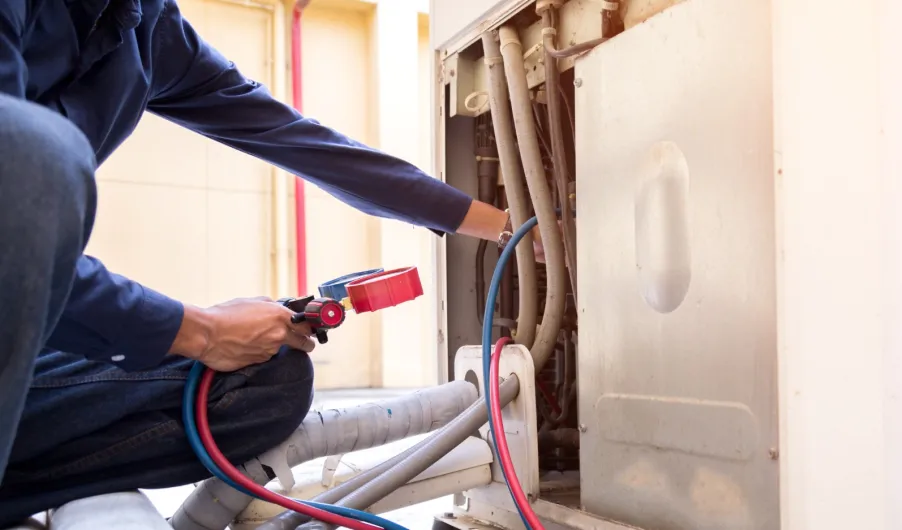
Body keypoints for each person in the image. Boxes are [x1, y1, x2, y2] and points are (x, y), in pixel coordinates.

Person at [0, 0, 528, 523]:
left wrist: (506, 225)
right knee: (37, 148)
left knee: (267, 375)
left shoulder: (148, 27)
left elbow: (305, 142)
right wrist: (198, 331)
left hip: (30, 346)